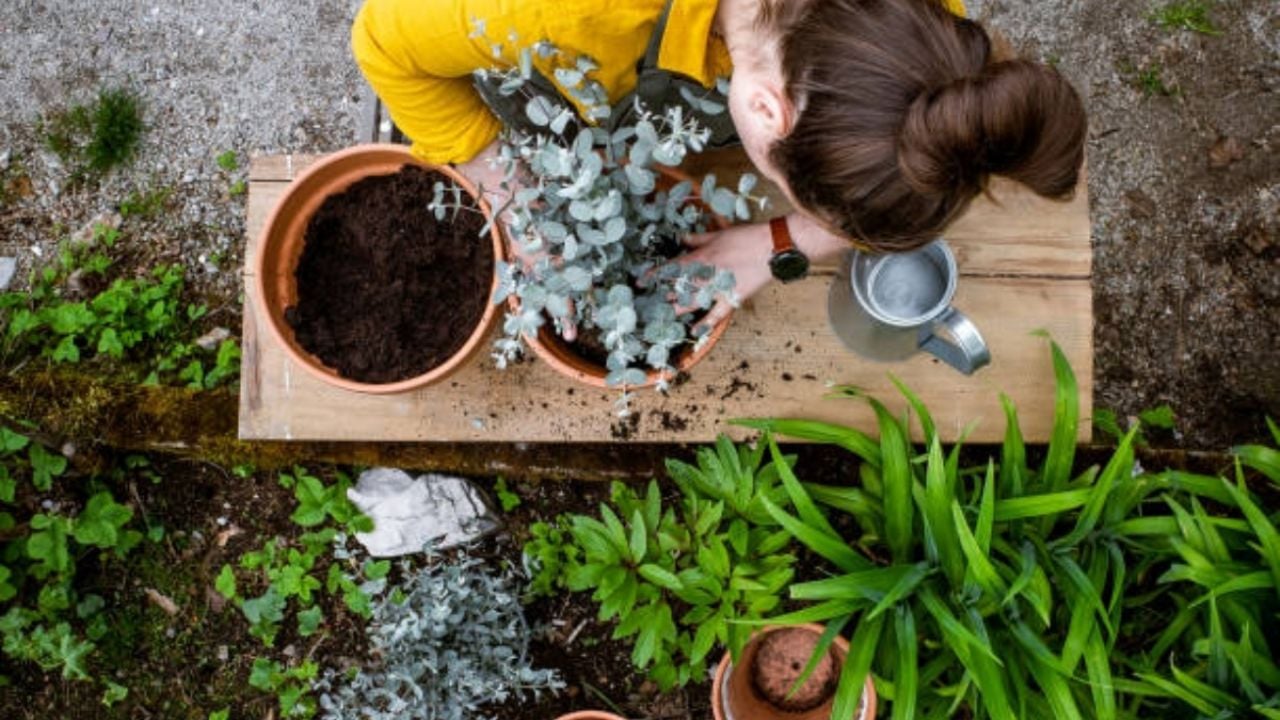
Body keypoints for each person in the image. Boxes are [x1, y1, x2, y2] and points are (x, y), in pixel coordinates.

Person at [351, 0, 1086, 330]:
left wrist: (782, 243)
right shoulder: (564, 12)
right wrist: (514, 200)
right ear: (767, 111)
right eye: (790, 190)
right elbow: (381, 42)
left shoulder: (922, 25)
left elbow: (911, 159)